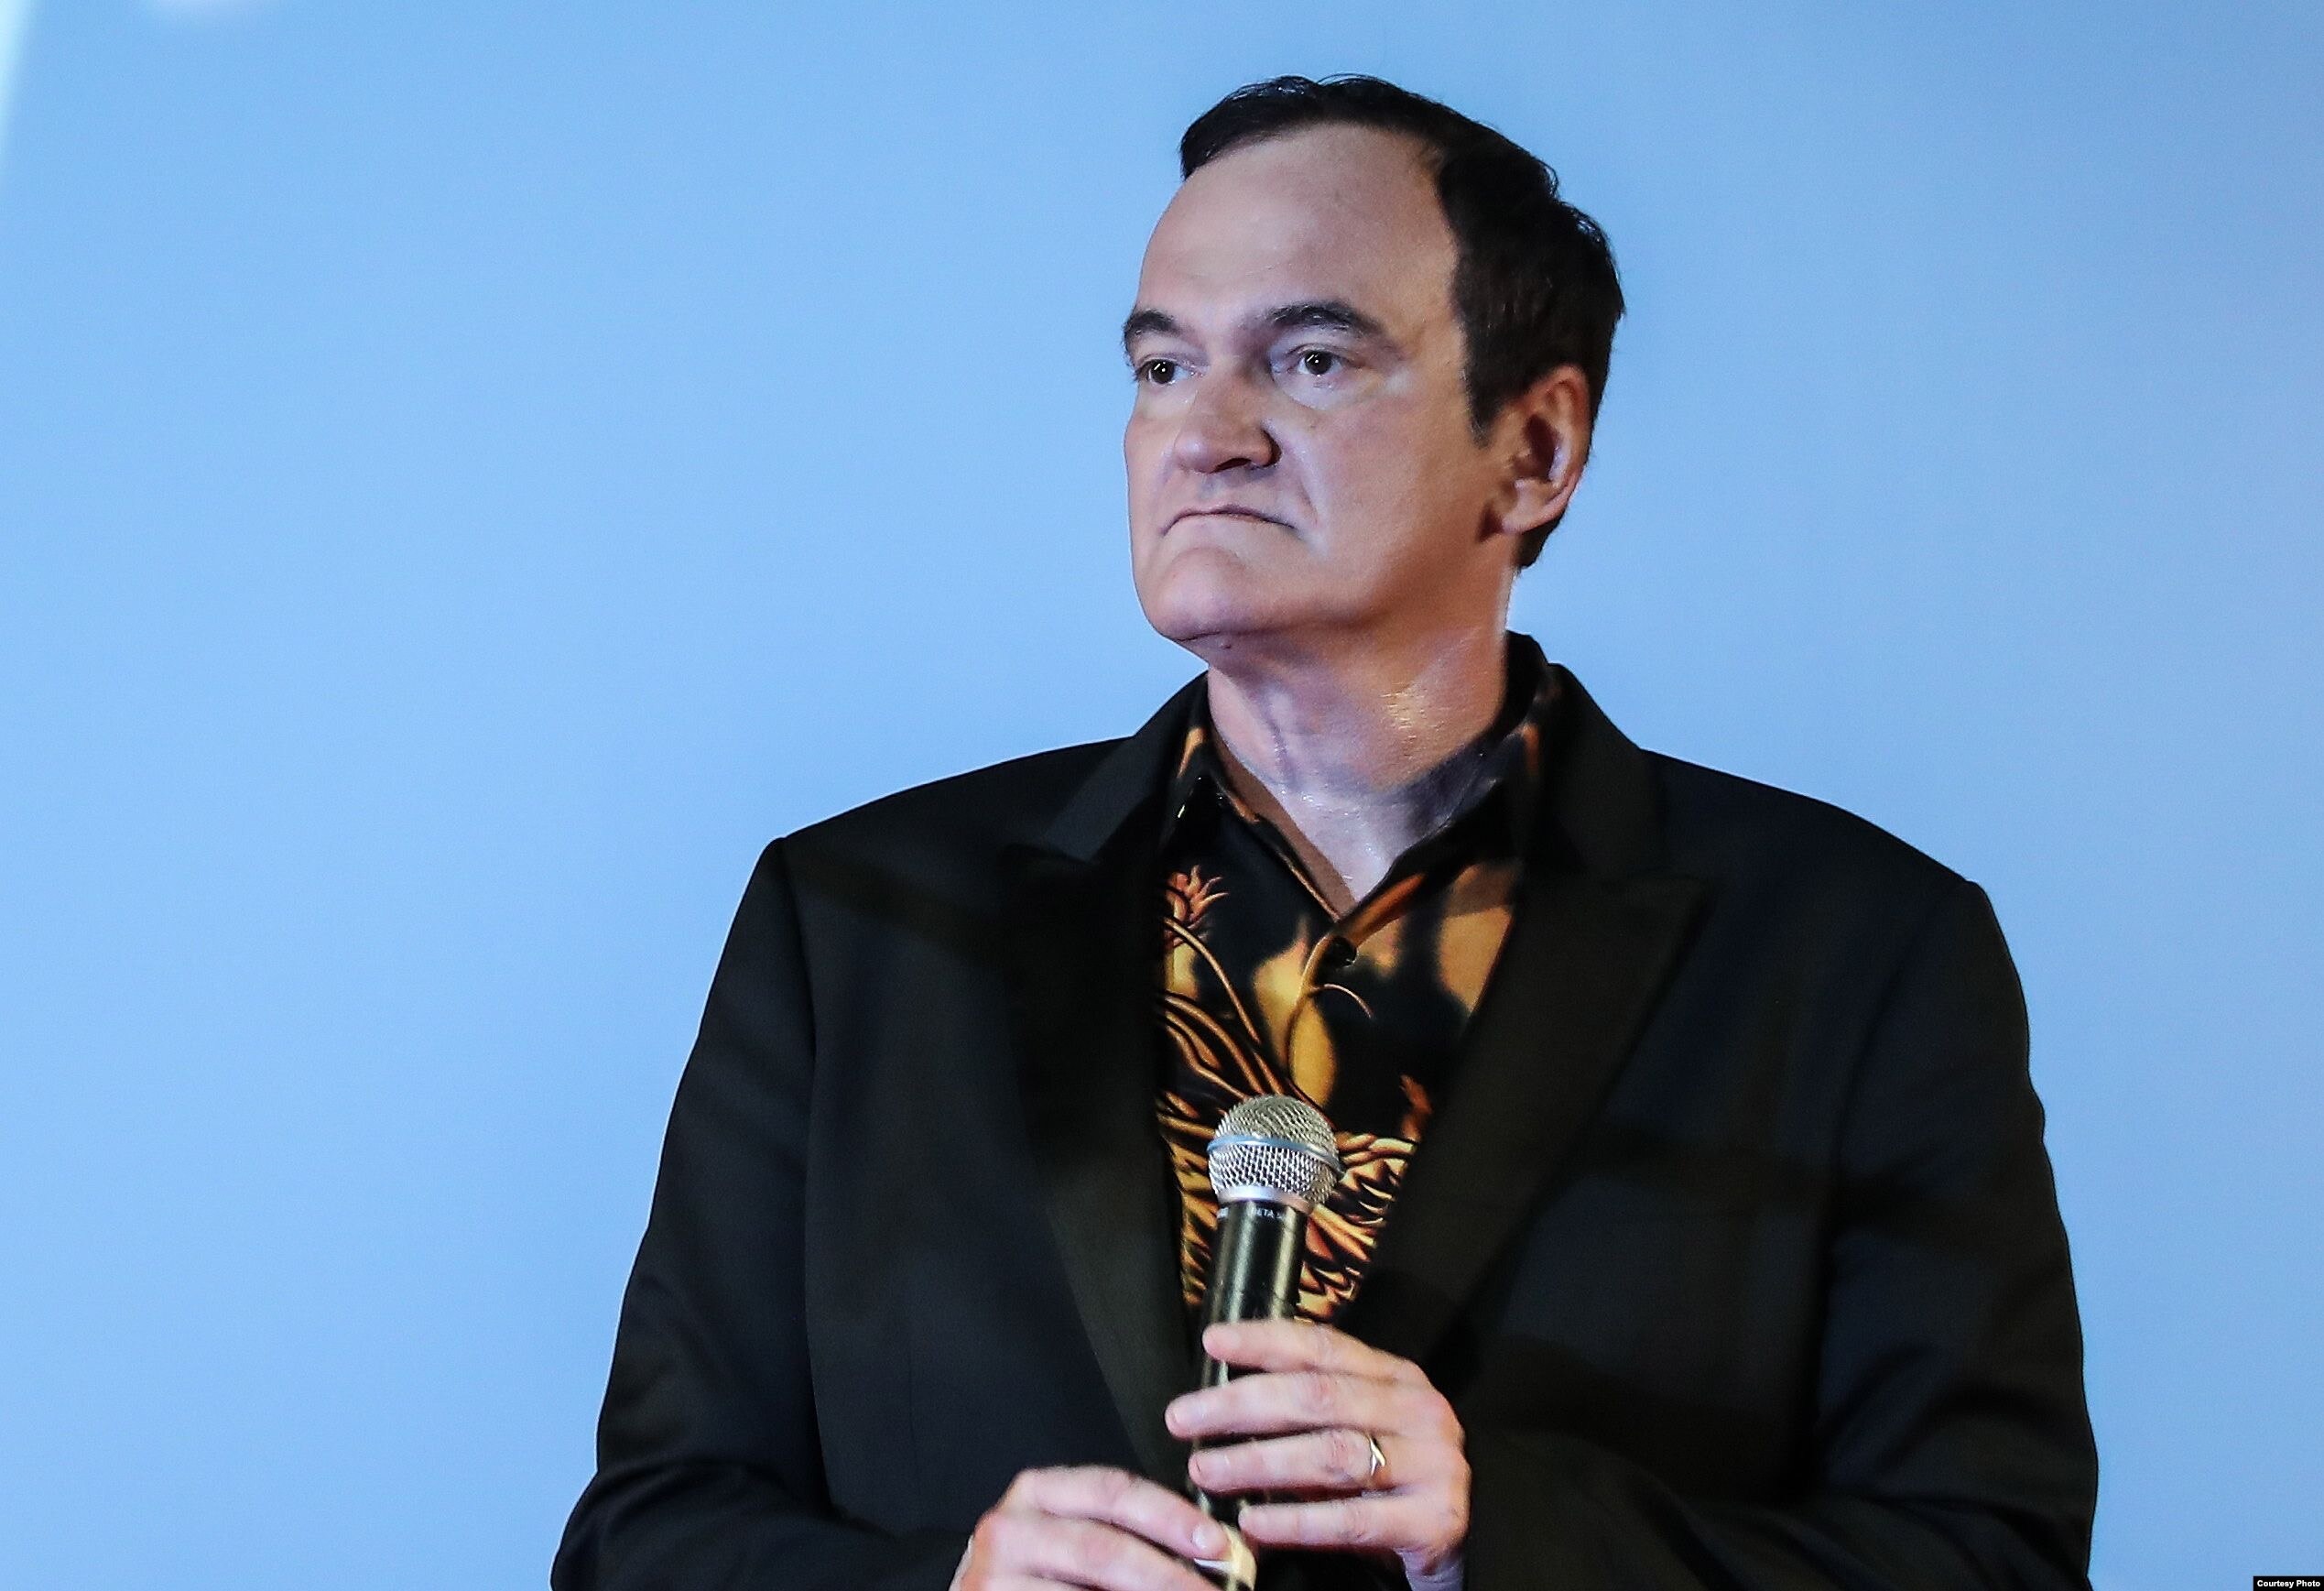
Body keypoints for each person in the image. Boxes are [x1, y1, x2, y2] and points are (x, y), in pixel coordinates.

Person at [551, 74, 2098, 1591]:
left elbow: (1991, 1553)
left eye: (1307, 358)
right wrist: (953, 1584)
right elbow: (643, 1540)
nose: (1203, 433)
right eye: (1162, 366)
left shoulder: (1855, 949)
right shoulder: (854, 922)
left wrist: (1500, 1537)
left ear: (1535, 448)